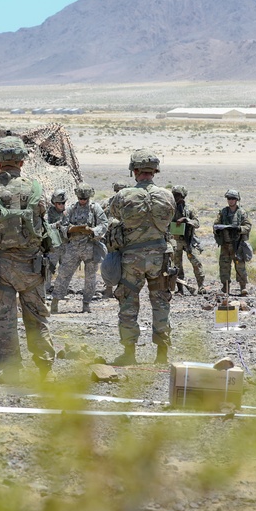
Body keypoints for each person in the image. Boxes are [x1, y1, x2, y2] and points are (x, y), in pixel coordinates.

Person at [0, 135, 55, 381]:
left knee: (5, 320)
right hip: (31, 265)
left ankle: (11, 373)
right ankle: (45, 372)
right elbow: (43, 215)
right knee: (37, 317)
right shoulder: (35, 188)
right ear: (22, 162)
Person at [107, 150, 176, 365]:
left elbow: (116, 215)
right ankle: (162, 355)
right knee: (161, 303)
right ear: (155, 171)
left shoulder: (124, 195)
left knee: (128, 303)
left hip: (132, 258)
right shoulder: (167, 195)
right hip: (159, 257)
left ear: (134, 171)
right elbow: (170, 219)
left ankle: (129, 353)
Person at [50, 183, 108, 314]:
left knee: (90, 278)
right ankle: (55, 302)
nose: (82, 201)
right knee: (63, 274)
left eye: (85, 199)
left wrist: (93, 231)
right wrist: (69, 229)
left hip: (90, 247)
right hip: (73, 248)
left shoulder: (95, 208)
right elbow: (63, 225)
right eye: (80, 198)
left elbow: (104, 224)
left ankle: (86, 304)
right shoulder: (71, 209)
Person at [213, 189, 252, 296]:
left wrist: (239, 229)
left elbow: (248, 226)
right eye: (229, 198)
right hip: (225, 244)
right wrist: (218, 229)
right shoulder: (223, 212)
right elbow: (216, 224)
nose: (230, 201)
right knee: (224, 266)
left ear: (237, 200)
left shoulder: (242, 213)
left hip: (238, 244)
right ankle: (225, 287)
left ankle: (243, 287)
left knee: (240, 266)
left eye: (233, 199)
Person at [169, 185, 205, 294]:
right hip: (175, 241)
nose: (176, 197)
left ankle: (201, 286)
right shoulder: (170, 209)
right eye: (174, 195)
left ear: (183, 196)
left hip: (188, 240)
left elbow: (197, 223)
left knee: (196, 263)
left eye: (178, 195)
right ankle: (180, 289)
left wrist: (186, 220)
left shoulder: (190, 209)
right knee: (177, 266)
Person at [45, 190, 67, 281]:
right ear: (54, 203)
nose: (62, 205)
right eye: (59, 203)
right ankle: (46, 288)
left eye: (63, 203)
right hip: (54, 246)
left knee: (65, 269)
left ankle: (61, 288)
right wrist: (55, 225)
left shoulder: (68, 212)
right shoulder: (49, 213)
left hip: (65, 244)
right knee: (49, 267)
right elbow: (45, 226)